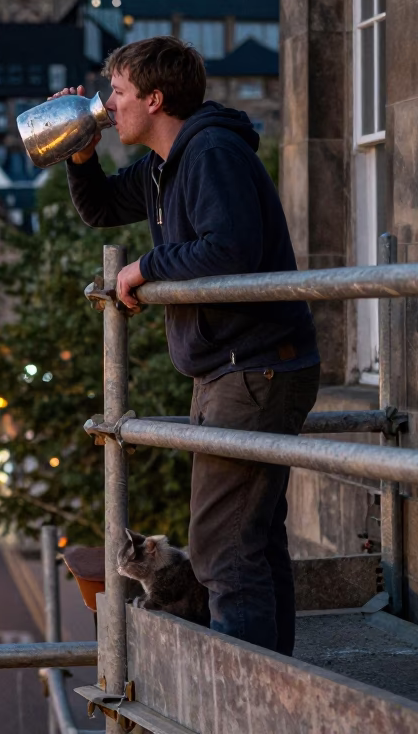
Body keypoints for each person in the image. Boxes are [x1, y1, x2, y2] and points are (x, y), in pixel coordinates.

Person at [63, 35, 320, 656]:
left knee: (220, 546)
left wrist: (144, 268)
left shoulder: (210, 153)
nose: (107, 105)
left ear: (154, 99)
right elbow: (100, 208)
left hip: (254, 369)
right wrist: (80, 152)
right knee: (252, 539)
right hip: (231, 369)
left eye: (117, 92)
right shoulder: (164, 165)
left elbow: (230, 248)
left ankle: (242, 691)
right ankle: (273, 682)